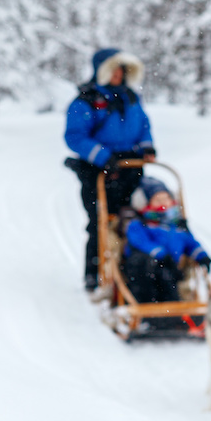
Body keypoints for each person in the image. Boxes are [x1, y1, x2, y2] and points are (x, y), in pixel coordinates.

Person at [64, 48, 157, 292]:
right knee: (100, 222)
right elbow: (75, 137)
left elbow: (144, 124)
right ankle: (93, 274)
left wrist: (147, 147)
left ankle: (131, 273)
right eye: (114, 69)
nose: (119, 74)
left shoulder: (131, 98)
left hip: (131, 168)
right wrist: (103, 157)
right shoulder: (86, 100)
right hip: (98, 171)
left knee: (132, 220)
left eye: (122, 69)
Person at [122, 178, 211, 304]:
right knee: (150, 268)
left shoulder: (177, 225)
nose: (163, 203)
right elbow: (141, 242)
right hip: (145, 269)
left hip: (173, 268)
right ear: (146, 203)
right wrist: (161, 255)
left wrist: (201, 256)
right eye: (158, 200)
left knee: (170, 281)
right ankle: (149, 311)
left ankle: (173, 312)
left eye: (166, 198)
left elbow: (190, 243)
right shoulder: (139, 224)